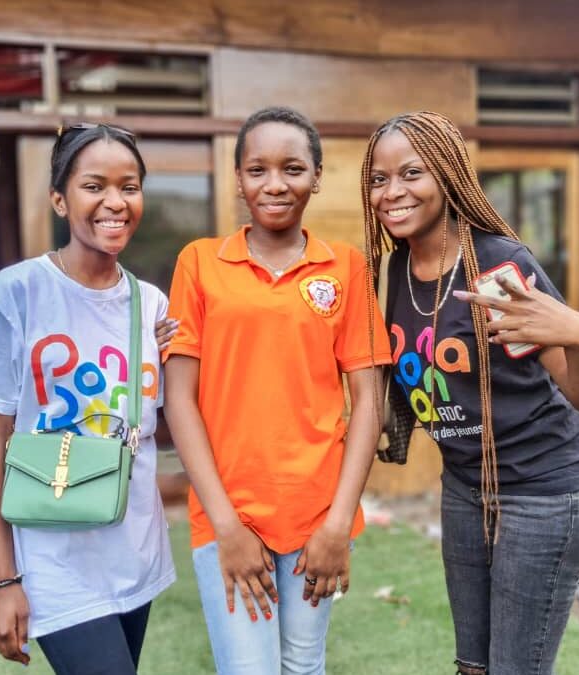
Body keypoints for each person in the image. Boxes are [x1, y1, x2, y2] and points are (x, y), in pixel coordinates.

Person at [360, 111, 579, 675]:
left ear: (448, 175)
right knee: (473, 666)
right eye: (379, 179)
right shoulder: (395, 269)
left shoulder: (498, 265)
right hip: (466, 486)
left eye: (412, 174)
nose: (393, 192)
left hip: (544, 490)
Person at [163, 106, 391, 675]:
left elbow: (368, 400)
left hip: (318, 518)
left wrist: (338, 524)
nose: (275, 184)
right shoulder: (198, 263)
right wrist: (228, 527)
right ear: (238, 179)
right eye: (257, 169)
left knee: (303, 665)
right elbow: (180, 399)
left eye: (292, 168)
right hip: (227, 516)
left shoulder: (346, 267)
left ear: (316, 175)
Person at [0, 122, 175, 674]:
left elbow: (156, 429)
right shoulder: (15, 294)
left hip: (135, 548)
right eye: (94, 185)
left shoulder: (151, 306)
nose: (115, 202)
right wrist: (4, 580)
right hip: (54, 560)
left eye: (129, 186)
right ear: (60, 199)